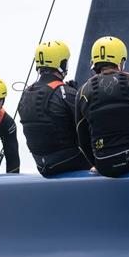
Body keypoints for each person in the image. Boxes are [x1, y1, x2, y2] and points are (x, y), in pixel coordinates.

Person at [76, 36, 129, 177]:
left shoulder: (83, 92)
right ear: (121, 61)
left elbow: (82, 138)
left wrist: (96, 164)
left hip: (105, 164)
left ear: (95, 62)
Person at [19, 40, 92, 177]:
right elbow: (87, 127)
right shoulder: (66, 92)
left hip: (42, 165)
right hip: (68, 162)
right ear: (62, 64)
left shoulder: (26, 94)